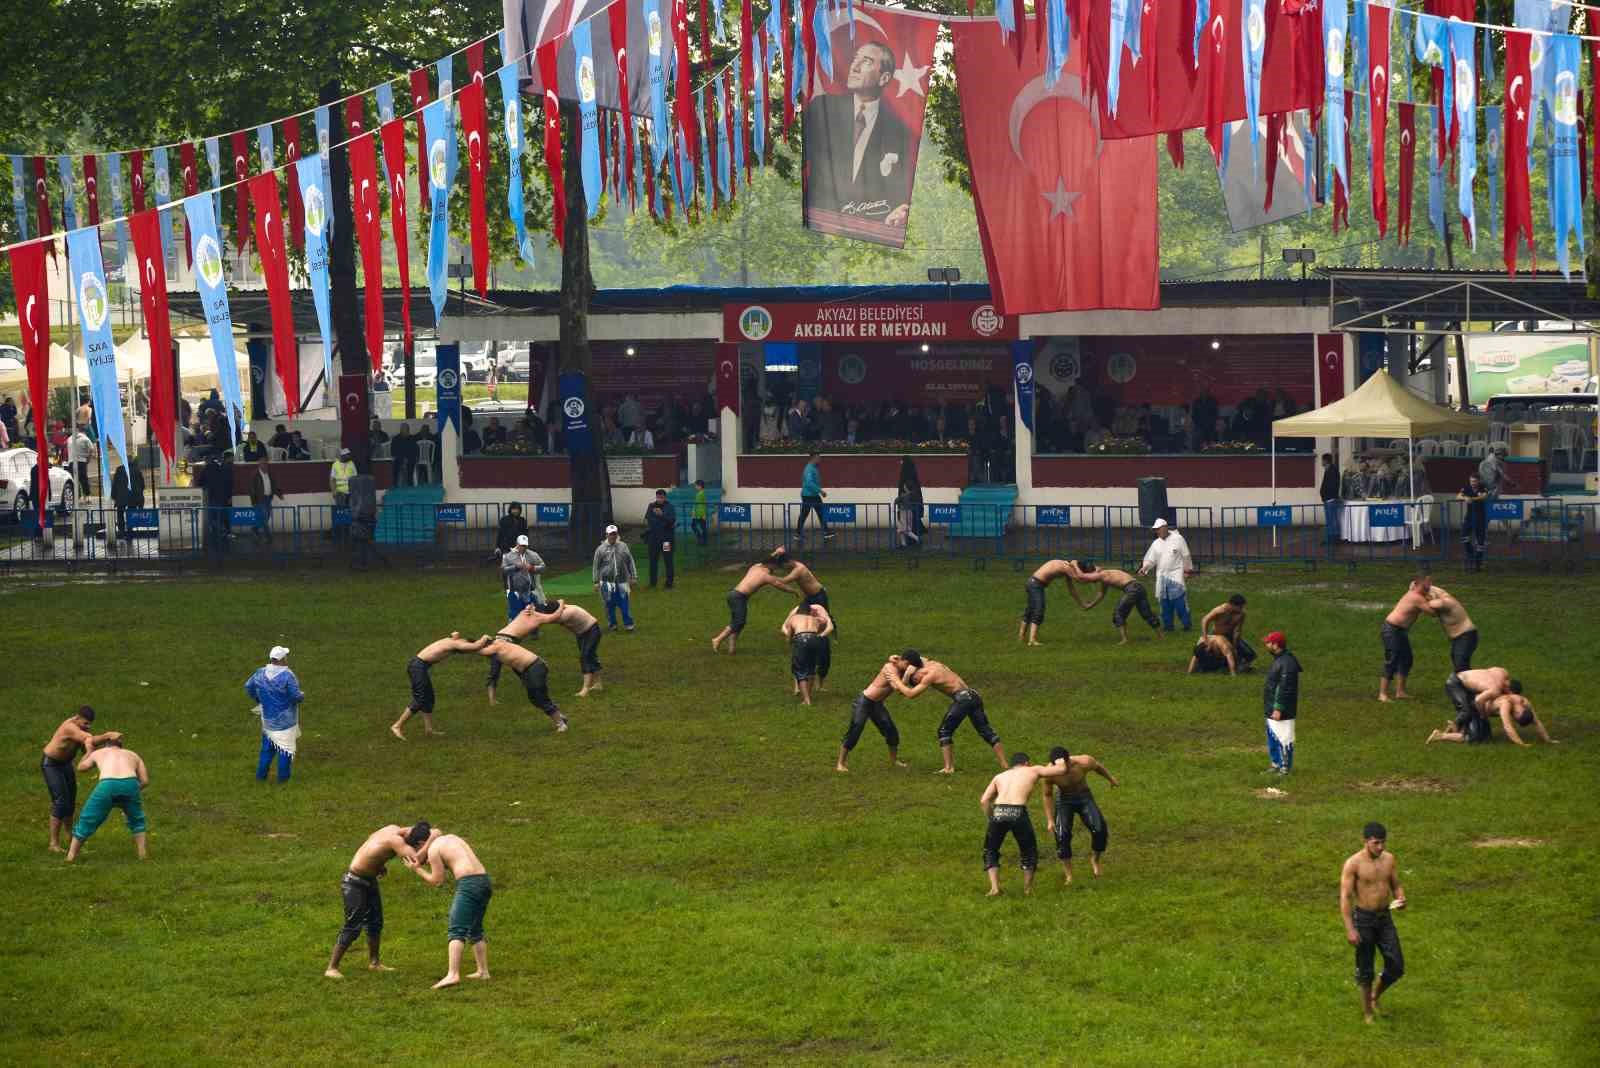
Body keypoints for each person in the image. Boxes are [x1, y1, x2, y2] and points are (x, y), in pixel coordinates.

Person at [802, 40, 914, 228]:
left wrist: (897, 212)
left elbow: (897, 192)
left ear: (884, 78)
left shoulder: (898, 130)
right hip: (818, 223)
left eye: (867, 62)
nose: (854, 66)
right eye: (856, 59)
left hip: (866, 229)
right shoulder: (823, 108)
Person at [324, 824, 425, 978]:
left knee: (375, 923)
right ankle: (331, 968)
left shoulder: (392, 827)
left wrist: (378, 863)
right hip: (354, 883)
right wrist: (434, 838)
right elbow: (417, 859)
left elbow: (372, 841)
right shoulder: (396, 841)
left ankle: (374, 963)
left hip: (369, 880)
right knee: (353, 926)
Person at [400, 824, 495, 990]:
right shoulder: (452, 837)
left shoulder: (433, 849)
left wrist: (417, 869)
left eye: (418, 849)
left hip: (469, 884)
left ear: (421, 843)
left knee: (456, 929)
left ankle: (453, 974)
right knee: (475, 928)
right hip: (484, 881)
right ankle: (483, 972)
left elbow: (437, 881)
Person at [887, 653, 1006, 774]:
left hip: (963, 699)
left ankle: (948, 768)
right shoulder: (930, 663)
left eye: (916, 680)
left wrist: (896, 680)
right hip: (974, 695)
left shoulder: (930, 675)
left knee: (944, 731)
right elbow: (912, 657)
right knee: (985, 730)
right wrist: (894, 659)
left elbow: (910, 694)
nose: (918, 681)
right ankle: (1005, 766)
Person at [1339, 822, 1406, 1023]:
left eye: (1383, 842)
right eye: (1376, 843)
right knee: (1365, 968)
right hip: (1364, 920)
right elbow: (1345, 897)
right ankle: (1368, 1013)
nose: (1380, 847)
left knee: (1397, 965)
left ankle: (1375, 996)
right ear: (1365, 841)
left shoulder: (1389, 859)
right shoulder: (1353, 864)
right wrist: (1350, 929)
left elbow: (1396, 885)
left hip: (1385, 917)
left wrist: (1400, 897)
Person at [978, 754, 1062, 897]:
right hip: (1018, 812)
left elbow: (984, 801)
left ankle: (995, 888)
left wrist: (992, 818)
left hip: (999, 811)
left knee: (990, 850)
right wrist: (1060, 761)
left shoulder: (999, 776)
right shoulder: (1032, 770)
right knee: (1028, 851)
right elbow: (1060, 771)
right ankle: (1028, 889)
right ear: (1027, 763)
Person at [41, 706, 121, 852]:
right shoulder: (69, 727)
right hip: (51, 765)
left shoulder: (82, 729)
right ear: (77, 718)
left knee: (70, 802)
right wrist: (107, 735)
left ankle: (69, 837)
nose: (87, 726)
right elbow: (88, 739)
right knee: (60, 802)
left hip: (65, 765)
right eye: (85, 723)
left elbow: (89, 746)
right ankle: (53, 843)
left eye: (89, 724)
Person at [391, 633, 492, 740]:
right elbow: (475, 646)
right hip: (417, 667)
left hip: (419, 667)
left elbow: (465, 642)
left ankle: (429, 730)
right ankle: (397, 726)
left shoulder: (452, 639)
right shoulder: (455, 643)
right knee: (420, 698)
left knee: (429, 698)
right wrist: (485, 637)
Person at [63, 738, 149, 863]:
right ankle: (142, 855)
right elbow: (145, 781)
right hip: (130, 783)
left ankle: (70, 857)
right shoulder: (133, 755)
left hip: (108, 784)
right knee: (137, 819)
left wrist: (89, 751)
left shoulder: (99, 752)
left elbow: (81, 767)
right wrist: (133, 791)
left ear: (106, 745)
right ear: (121, 746)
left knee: (88, 818)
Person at [1042, 745, 1119, 882]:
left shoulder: (1084, 762)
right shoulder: (1050, 773)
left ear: (1068, 760)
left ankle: (1095, 860)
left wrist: (1110, 778)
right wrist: (1050, 820)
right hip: (1064, 800)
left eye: (1063, 766)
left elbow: (1098, 767)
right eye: (1057, 767)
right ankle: (1069, 874)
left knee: (1099, 829)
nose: (1061, 770)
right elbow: (1047, 795)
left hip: (1084, 797)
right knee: (1061, 835)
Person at [835, 654, 917, 772]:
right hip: (864, 702)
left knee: (891, 730)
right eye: (907, 665)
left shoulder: (901, 667)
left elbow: (921, 661)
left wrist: (904, 667)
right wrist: (908, 674)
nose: (908, 667)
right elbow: (897, 688)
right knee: (855, 730)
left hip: (877, 704)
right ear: (903, 661)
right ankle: (840, 763)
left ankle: (894, 761)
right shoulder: (890, 668)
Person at [711, 557, 800, 654]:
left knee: (738, 622)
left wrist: (775, 554)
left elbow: (767, 560)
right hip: (738, 597)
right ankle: (717, 639)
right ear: (770, 565)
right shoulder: (766, 576)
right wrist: (794, 591)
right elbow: (780, 585)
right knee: (739, 622)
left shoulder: (755, 567)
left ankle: (731, 648)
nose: (775, 569)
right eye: (774, 566)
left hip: (734, 595)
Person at [477, 640, 569, 731]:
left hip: (535, 667)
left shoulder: (496, 646)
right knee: (534, 699)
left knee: (540, 697)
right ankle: (559, 716)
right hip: (531, 669)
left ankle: (561, 724)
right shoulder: (500, 647)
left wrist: (473, 643)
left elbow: (479, 650)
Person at [245, 646, 303, 783]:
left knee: (267, 749)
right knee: (285, 750)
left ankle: (261, 777)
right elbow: (295, 696)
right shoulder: (287, 675)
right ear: (282, 659)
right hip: (286, 721)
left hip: (268, 720)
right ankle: (283, 780)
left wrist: (259, 699)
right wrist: (302, 696)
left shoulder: (260, 673)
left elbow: (248, 686)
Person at [525, 600, 606, 698]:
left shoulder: (566, 614)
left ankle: (585, 689)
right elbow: (556, 603)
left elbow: (545, 619)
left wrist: (532, 614)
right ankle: (598, 684)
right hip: (582, 633)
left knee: (585, 657)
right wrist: (531, 608)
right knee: (590, 656)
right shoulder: (561, 608)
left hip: (592, 631)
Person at [1070, 561, 1163, 644]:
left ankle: (1124, 640)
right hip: (1139, 587)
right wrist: (1090, 605)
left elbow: (1081, 577)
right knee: (1146, 613)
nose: (1093, 582)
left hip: (1132, 589)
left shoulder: (1102, 575)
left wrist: (1074, 564)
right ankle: (1160, 637)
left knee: (1118, 613)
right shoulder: (1105, 573)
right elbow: (1101, 594)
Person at [1379, 576, 1434, 702]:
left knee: (1406, 659)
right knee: (1392, 660)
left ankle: (1400, 692)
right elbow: (1432, 613)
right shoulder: (1416, 597)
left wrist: (1428, 596)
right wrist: (1437, 599)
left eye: (1428, 587)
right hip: (1392, 630)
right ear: (1418, 585)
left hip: (1400, 631)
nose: (1428, 589)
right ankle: (1382, 694)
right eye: (1425, 587)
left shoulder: (1416, 594)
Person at [1139, 518, 1194, 632]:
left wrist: (1187, 570)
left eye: (1158, 529)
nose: (1157, 532)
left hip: (1176, 575)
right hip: (1162, 576)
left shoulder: (1178, 539)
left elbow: (1186, 555)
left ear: (1165, 528)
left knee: (1179, 601)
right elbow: (1151, 559)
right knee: (1164, 602)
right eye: (1156, 530)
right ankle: (1168, 626)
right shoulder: (1156, 543)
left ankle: (1186, 624)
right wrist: (1145, 568)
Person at [767, 547, 834, 633]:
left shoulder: (799, 569)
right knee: (803, 612)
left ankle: (831, 631)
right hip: (810, 596)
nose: (784, 568)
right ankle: (801, 629)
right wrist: (776, 553)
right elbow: (769, 562)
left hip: (818, 595)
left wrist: (768, 578)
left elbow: (785, 580)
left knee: (825, 615)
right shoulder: (794, 565)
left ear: (789, 562)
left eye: (784, 566)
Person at [1261, 631, 1301, 775]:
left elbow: (1285, 687)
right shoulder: (1280, 660)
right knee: (1273, 738)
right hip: (1272, 708)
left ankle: (1284, 768)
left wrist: (1278, 708)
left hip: (1282, 710)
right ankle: (1276, 764)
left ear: (1276, 645)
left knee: (1284, 739)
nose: (1266, 645)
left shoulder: (1287, 663)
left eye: (1268, 643)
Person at [781, 603, 835, 706]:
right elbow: (826, 626)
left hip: (801, 639)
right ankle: (808, 697)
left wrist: (790, 641)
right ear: (809, 611)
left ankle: (807, 700)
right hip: (815, 639)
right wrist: (821, 635)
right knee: (811, 669)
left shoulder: (794, 618)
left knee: (800, 670)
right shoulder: (815, 619)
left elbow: (789, 636)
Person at [1017, 559, 1078, 646]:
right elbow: (1080, 578)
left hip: (1033, 583)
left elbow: (1072, 589)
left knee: (1030, 610)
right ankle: (1032, 640)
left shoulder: (1064, 566)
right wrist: (1076, 565)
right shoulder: (1066, 567)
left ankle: (1021, 637)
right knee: (1039, 610)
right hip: (1035, 585)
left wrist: (1082, 603)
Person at [592, 524, 638, 631]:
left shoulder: (623, 546)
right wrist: (595, 582)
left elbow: (630, 561)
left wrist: (634, 576)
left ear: (617, 534)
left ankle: (629, 624)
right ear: (606, 535)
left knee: (624, 604)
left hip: (622, 581)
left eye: (614, 534)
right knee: (609, 605)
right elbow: (596, 566)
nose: (613, 536)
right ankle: (612, 624)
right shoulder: (600, 549)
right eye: (611, 534)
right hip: (606, 582)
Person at [1424, 584, 1478, 671]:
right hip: (1460, 637)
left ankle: (1476, 679)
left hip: (1466, 636)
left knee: (1461, 666)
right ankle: (1465, 679)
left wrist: (1419, 600)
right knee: (1459, 664)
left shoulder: (1447, 601)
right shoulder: (1441, 595)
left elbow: (1434, 605)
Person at [1200, 594, 1256, 669]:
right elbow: (1205, 620)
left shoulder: (1241, 614)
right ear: (1232, 605)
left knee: (1250, 654)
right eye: (1240, 607)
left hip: (1230, 636)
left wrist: (1235, 645)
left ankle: (1240, 666)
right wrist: (1205, 638)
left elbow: (1237, 631)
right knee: (1211, 652)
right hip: (1217, 636)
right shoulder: (1220, 610)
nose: (1242, 609)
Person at [794, 451, 835, 543]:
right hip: (809, 496)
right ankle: (798, 533)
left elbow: (805, 480)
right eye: (818, 458)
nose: (820, 459)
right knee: (806, 514)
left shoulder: (812, 468)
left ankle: (826, 531)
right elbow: (809, 483)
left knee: (820, 513)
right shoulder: (809, 469)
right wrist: (820, 491)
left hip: (812, 495)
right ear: (814, 458)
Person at [502, 534, 546, 621]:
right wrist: (515, 567)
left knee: (532, 613)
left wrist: (532, 568)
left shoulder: (533, 555)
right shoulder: (509, 556)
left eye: (525, 545)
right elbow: (504, 570)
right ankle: (513, 627)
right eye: (521, 545)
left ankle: (532, 628)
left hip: (530, 590)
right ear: (517, 544)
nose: (523, 548)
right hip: (514, 590)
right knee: (514, 615)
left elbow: (543, 567)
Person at [643, 488, 677, 589]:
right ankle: (652, 583)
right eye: (658, 497)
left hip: (666, 539)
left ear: (665, 497)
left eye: (661, 497)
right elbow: (647, 519)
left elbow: (671, 520)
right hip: (654, 539)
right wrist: (656, 522)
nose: (659, 499)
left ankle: (669, 583)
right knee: (653, 561)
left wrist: (661, 515)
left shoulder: (669, 507)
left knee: (668, 560)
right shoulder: (651, 506)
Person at [110, 452, 147, 543]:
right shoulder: (137, 470)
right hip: (133, 497)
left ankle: (122, 531)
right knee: (131, 513)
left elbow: (115, 484)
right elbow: (142, 485)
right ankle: (130, 532)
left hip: (121, 497)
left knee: (120, 513)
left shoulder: (119, 469)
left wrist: (114, 495)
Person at [1458, 472, 1491, 570]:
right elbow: (1458, 496)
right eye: (1471, 481)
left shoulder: (1483, 487)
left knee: (1480, 541)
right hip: (1469, 516)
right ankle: (1470, 554)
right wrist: (1465, 498)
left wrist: (1472, 498)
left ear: (1478, 481)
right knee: (1464, 536)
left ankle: (1478, 563)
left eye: (1475, 481)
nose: (1473, 483)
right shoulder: (1467, 487)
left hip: (1480, 516)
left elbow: (1484, 496)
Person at [248, 456, 282, 545]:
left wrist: (279, 494)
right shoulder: (254, 475)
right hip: (259, 499)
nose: (265, 465)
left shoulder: (270, 474)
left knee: (266, 517)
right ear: (259, 464)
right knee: (264, 517)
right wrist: (254, 501)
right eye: (263, 463)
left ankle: (254, 529)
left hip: (268, 498)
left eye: (266, 463)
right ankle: (268, 536)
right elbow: (251, 489)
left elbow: (273, 485)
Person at [896, 456, 923, 549]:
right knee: (907, 526)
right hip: (912, 506)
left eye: (902, 461)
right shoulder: (912, 473)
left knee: (904, 526)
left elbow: (903, 493)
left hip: (906, 506)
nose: (900, 463)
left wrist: (899, 499)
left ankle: (914, 540)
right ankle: (906, 543)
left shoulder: (906, 476)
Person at [1319, 452, 1342, 550]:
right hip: (1328, 499)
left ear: (1326, 461)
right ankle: (1330, 538)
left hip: (1330, 499)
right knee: (1330, 519)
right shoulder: (1329, 469)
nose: (1321, 462)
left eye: (1322, 460)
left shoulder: (1332, 470)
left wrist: (1328, 496)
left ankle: (1334, 539)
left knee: (1332, 519)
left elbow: (1332, 485)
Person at [69, 426, 95, 494]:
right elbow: (91, 449)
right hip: (82, 461)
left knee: (74, 479)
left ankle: (77, 495)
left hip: (71, 461)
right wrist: (88, 459)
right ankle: (87, 495)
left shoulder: (69, 439)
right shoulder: (85, 438)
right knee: (83, 479)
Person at [691, 479, 709, 545]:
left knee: (702, 527)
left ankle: (703, 541)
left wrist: (704, 514)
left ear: (700, 486)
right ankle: (700, 538)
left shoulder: (702, 493)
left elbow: (704, 504)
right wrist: (693, 511)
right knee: (694, 526)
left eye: (696, 486)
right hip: (697, 513)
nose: (695, 487)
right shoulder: (698, 493)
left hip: (701, 514)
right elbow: (696, 504)